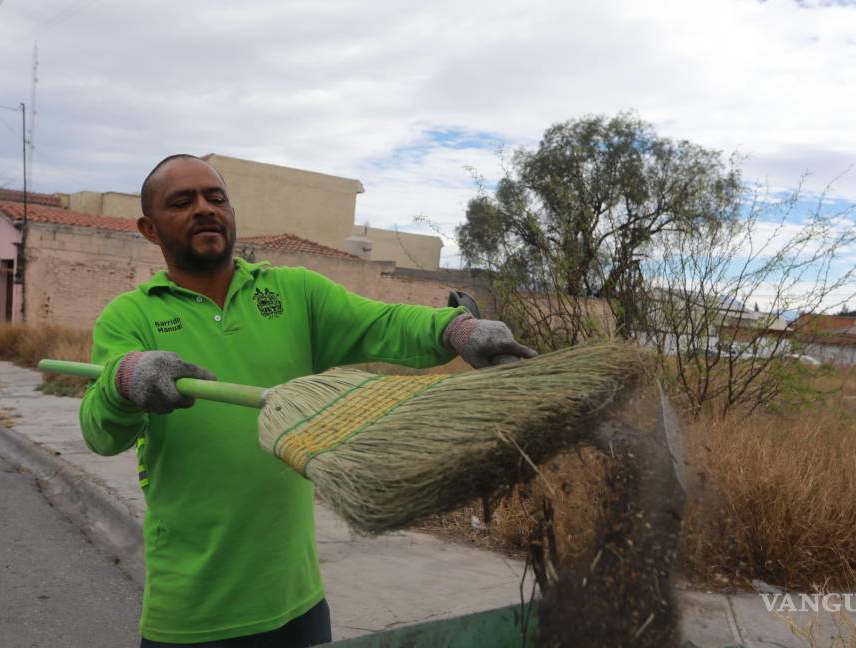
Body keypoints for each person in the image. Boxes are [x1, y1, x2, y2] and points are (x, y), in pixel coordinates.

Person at [79, 154, 536, 647]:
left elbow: (382, 324)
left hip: (298, 604)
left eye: (216, 197)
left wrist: (456, 329)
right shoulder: (129, 317)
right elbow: (101, 433)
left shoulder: (294, 293)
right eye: (182, 201)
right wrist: (125, 379)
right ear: (150, 228)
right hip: (192, 614)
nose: (205, 209)